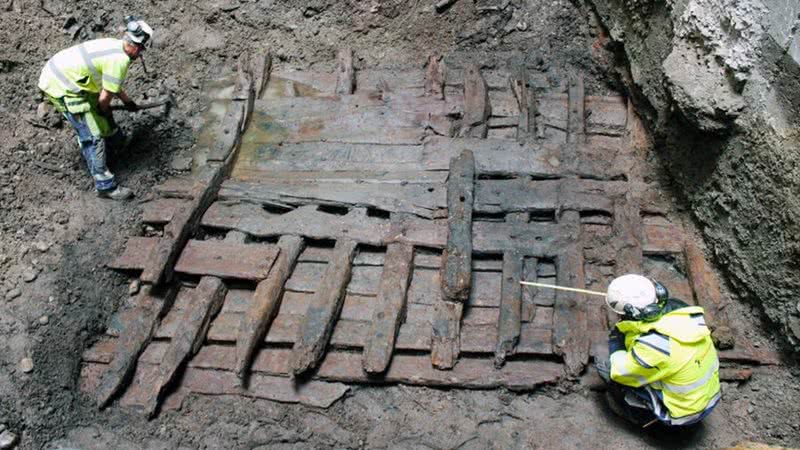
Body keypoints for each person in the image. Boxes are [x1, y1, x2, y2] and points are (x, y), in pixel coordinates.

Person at [38, 16, 153, 200]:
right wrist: (102, 108)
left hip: (73, 77)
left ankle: (116, 144)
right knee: (92, 137)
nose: (139, 55)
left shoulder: (115, 45)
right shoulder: (121, 60)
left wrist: (127, 102)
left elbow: (111, 83)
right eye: (140, 50)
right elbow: (106, 95)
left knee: (102, 115)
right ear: (136, 46)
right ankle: (105, 187)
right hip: (63, 86)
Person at [596, 274, 721, 427]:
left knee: (604, 361)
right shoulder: (686, 314)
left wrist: (616, 341)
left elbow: (620, 372)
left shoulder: (655, 346)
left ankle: (639, 415)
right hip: (707, 398)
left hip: (683, 413)